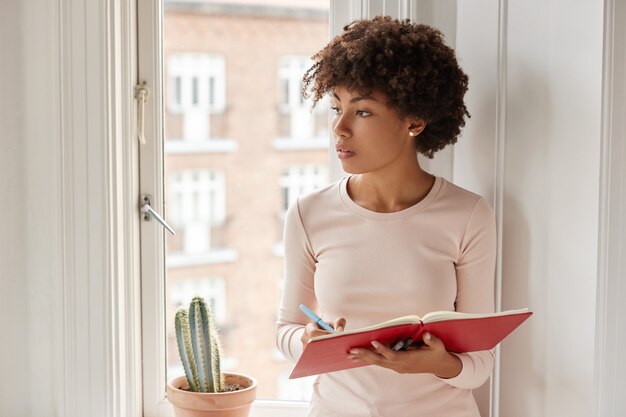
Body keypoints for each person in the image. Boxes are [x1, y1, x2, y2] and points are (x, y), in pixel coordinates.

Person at [275, 16, 496, 417]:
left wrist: (438, 364)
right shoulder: (309, 214)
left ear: (414, 120)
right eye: (336, 108)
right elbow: (285, 331)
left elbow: (479, 364)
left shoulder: (467, 215)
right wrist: (306, 339)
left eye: (362, 112)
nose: (339, 129)